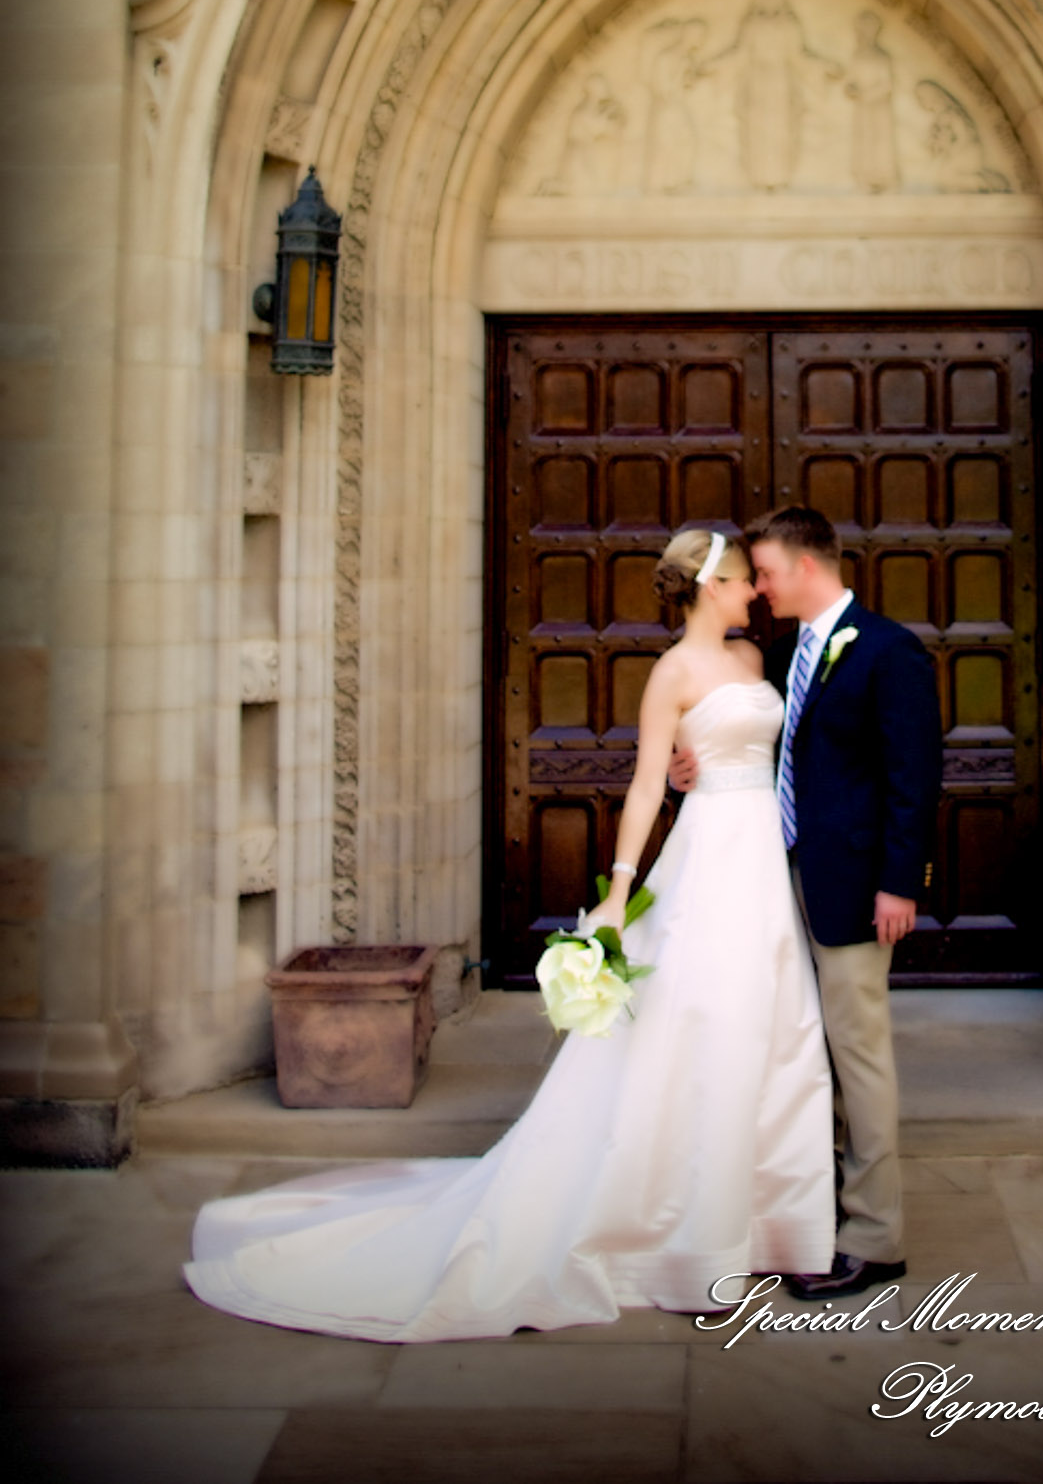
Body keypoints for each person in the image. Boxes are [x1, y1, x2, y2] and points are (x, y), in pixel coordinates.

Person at [181, 529, 836, 1340]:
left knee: (772, 1027)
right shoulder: (673, 673)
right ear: (713, 587)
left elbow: (777, 754)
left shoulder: (750, 663)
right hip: (707, 856)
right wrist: (619, 892)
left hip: (762, 859)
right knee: (704, 1028)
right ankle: (691, 1239)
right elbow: (643, 788)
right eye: (743, 583)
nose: (755, 595)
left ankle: (777, 1226)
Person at [669, 503, 943, 1300]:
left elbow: (913, 780)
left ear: (808, 567)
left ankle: (876, 1235)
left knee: (859, 1052)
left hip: (857, 886)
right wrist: (692, 769)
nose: (758, 587)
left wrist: (900, 883)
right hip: (778, 876)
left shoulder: (889, 653)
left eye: (765, 573)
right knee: (794, 1045)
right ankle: (806, 1211)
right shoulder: (786, 649)